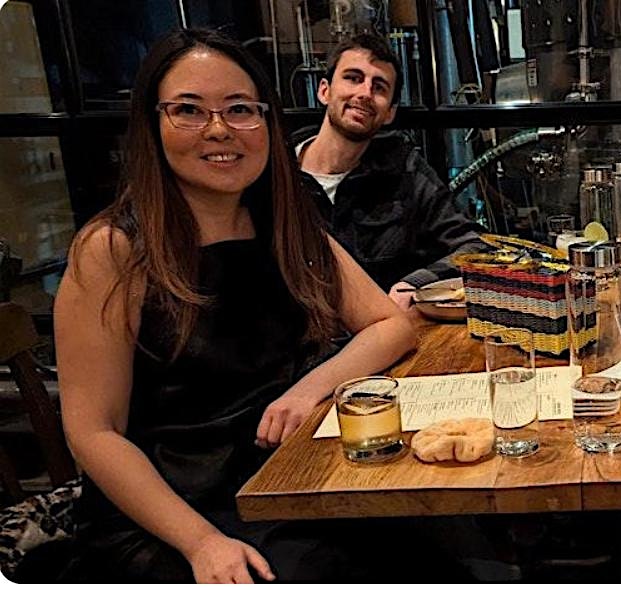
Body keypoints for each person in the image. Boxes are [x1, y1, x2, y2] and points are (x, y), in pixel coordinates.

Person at [53, 29, 420, 582]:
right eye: (188, 110)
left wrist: (308, 389)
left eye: (240, 109)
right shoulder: (113, 248)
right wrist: (201, 542)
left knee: (443, 538)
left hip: (285, 477)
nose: (219, 129)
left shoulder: (284, 222)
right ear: (151, 124)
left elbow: (391, 325)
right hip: (173, 512)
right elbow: (94, 433)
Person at [294, 33, 488, 310]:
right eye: (353, 78)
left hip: (385, 329)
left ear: (390, 113)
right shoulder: (276, 172)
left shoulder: (404, 169)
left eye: (379, 87)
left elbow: (475, 248)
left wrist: (415, 283)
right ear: (324, 91)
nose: (364, 93)